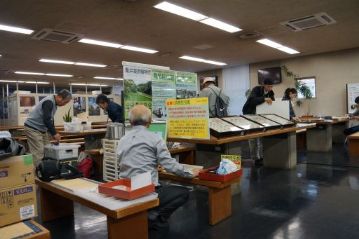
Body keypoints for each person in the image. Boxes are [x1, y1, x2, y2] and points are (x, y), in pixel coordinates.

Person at [117, 105, 198, 239]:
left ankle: (149, 213)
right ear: (149, 121)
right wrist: (189, 173)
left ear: (130, 122)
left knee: (161, 185)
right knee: (183, 192)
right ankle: (154, 216)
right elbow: (169, 165)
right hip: (145, 190)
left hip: (125, 188)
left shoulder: (122, 140)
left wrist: (153, 166)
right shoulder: (155, 138)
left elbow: (128, 162)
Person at [24, 90, 72, 165]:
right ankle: (37, 174)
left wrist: (53, 134)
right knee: (38, 152)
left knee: (48, 150)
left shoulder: (54, 103)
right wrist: (55, 133)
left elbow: (50, 119)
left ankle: (46, 170)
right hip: (32, 128)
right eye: (65, 102)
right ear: (59, 97)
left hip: (41, 129)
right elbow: (46, 120)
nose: (64, 105)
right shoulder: (48, 102)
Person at [242, 78, 275, 166]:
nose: (270, 88)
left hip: (261, 116)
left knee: (260, 137)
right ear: (264, 85)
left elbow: (273, 102)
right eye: (268, 86)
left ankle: (260, 156)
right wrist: (264, 99)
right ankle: (255, 158)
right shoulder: (256, 89)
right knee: (253, 137)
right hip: (250, 114)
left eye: (271, 86)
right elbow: (252, 101)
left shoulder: (271, 92)